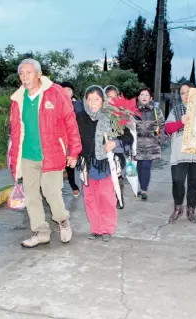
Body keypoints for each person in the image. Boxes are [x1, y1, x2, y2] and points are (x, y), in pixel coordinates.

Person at [9, 59, 82, 248]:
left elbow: (70, 122)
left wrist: (73, 151)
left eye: (29, 73)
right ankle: (41, 232)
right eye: (22, 74)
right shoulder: (18, 99)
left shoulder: (55, 92)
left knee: (51, 193)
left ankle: (62, 221)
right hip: (27, 155)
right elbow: (16, 130)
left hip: (52, 153)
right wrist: (13, 157)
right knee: (31, 195)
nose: (25, 77)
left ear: (39, 74)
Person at [76, 85, 134, 242]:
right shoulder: (80, 118)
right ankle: (95, 229)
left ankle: (107, 229)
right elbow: (73, 138)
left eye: (97, 99)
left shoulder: (113, 117)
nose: (93, 103)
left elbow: (129, 139)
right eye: (90, 99)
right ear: (85, 101)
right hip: (87, 165)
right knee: (90, 198)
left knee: (106, 197)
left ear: (103, 100)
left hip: (107, 165)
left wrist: (114, 144)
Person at [165, 81, 196, 223]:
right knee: (177, 180)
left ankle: (191, 210)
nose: (185, 95)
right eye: (182, 93)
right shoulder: (176, 109)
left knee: (194, 183)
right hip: (180, 153)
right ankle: (178, 208)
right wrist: (181, 122)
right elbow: (167, 129)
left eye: (188, 92)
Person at [135, 88, 166, 201]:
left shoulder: (156, 111)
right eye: (142, 94)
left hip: (151, 145)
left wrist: (160, 140)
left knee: (146, 166)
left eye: (146, 95)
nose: (144, 97)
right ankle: (142, 186)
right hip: (137, 145)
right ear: (138, 97)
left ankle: (144, 189)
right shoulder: (133, 111)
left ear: (150, 98)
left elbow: (163, 126)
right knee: (139, 167)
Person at [60, 81, 84, 198]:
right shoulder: (56, 104)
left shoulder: (79, 105)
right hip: (61, 140)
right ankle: (72, 186)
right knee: (65, 164)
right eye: (64, 89)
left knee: (75, 163)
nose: (66, 91)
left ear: (73, 92)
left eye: (69, 89)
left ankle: (78, 184)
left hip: (77, 138)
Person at [104, 85, 125, 210]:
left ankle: (119, 198)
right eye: (108, 97)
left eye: (114, 97)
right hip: (104, 151)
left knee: (118, 175)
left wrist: (116, 143)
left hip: (118, 151)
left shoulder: (123, 113)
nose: (111, 100)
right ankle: (109, 199)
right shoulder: (101, 113)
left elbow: (129, 136)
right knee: (106, 177)